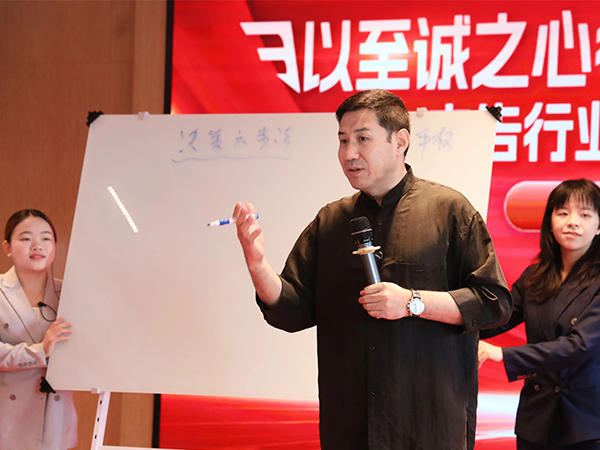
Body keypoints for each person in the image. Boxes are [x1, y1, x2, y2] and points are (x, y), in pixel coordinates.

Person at [234, 89, 512, 450]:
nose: (349, 153)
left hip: (426, 424)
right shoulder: (331, 221)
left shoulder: (449, 211)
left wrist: (412, 302)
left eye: (362, 139)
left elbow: (493, 302)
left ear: (400, 141)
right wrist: (257, 265)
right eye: (343, 141)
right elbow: (291, 309)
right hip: (350, 425)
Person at [479, 179, 600, 450]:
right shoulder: (535, 276)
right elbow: (497, 318)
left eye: (585, 215)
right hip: (536, 419)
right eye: (563, 213)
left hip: (586, 423)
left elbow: (579, 346)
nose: (572, 222)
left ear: (599, 225)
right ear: (550, 221)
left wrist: (503, 355)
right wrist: (449, 317)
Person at [0, 209, 77, 450]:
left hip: (55, 417)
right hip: (7, 418)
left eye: (46, 238)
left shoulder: (70, 294)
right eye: (26, 238)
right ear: (7, 247)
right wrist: (40, 350)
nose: (37, 246)